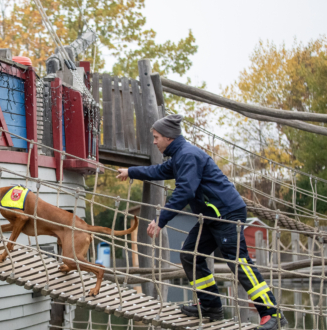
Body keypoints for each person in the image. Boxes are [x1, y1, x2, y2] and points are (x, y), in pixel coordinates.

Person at [116, 114, 287, 330]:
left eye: (156, 137)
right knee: (189, 255)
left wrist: (161, 220)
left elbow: (185, 191)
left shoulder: (188, 156)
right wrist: (131, 171)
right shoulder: (179, 156)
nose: (154, 141)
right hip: (211, 217)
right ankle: (210, 307)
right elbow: (158, 171)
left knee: (239, 262)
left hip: (226, 215)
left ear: (169, 137)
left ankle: (272, 313)